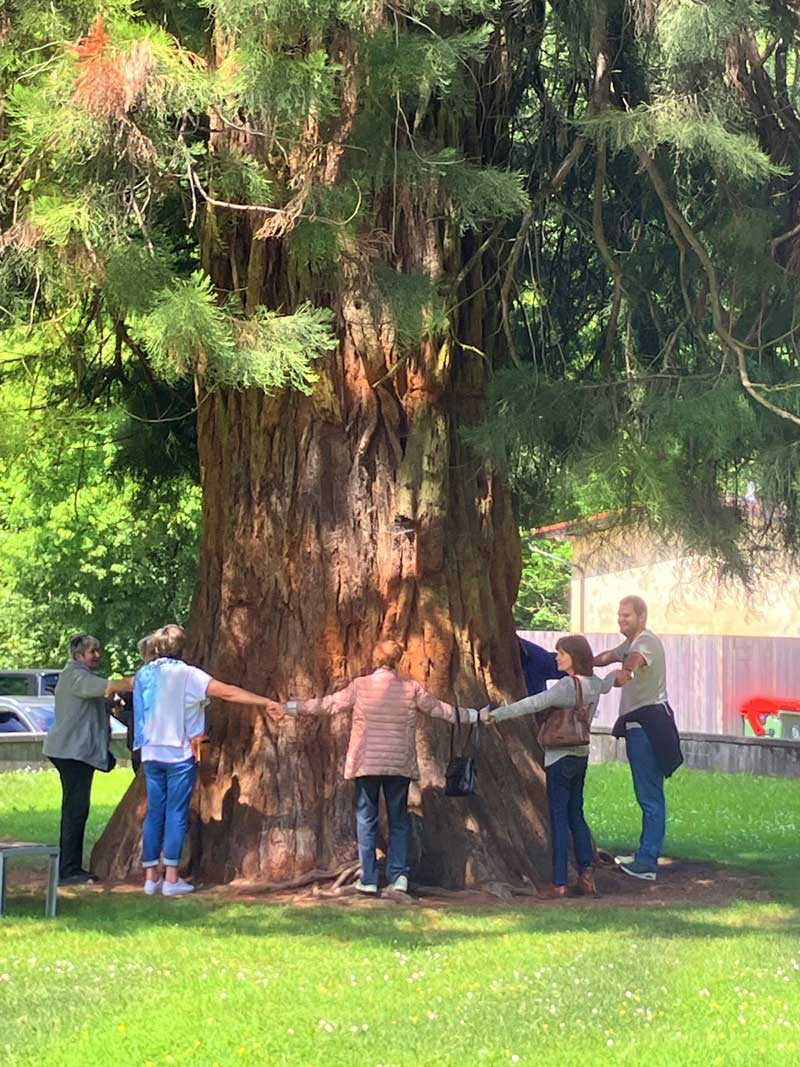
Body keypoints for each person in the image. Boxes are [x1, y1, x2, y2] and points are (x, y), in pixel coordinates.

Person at [272, 639, 478, 896]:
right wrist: (475, 716)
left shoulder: (361, 686)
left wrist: (290, 708)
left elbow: (328, 705)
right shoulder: (410, 689)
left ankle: (369, 877)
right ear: (398, 661)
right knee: (399, 821)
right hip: (398, 765)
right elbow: (440, 710)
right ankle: (399, 875)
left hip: (366, 764)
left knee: (366, 820)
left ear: (375, 659)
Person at [110, 624, 280, 897]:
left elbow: (123, 684)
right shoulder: (189, 675)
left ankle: (151, 877)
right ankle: (172, 878)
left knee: (155, 813)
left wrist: (108, 687)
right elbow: (227, 692)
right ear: (183, 648)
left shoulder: (145, 674)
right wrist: (264, 702)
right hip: (179, 752)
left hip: (150, 752)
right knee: (176, 814)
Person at [483, 634, 622, 899]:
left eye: (562, 654)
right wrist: (618, 675)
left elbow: (533, 703)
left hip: (558, 757)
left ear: (574, 658)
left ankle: (559, 882)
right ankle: (586, 874)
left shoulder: (566, 687)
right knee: (576, 815)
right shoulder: (593, 684)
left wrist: (496, 715)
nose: (556, 658)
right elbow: (608, 683)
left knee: (558, 819)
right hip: (581, 755)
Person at [593, 596, 683, 881]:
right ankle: (645, 852)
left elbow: (633, 661)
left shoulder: (646, 642)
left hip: (648, 728)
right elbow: (609, 656)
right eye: (619, 615)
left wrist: (627, 671)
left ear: (642, 617)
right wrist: (581, 662)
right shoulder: (630, 643)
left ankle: (647, 863)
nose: (621, 620)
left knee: (650, 796)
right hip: (640, 726)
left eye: (627, 615)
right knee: (647, 794)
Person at [43, 634, 116, 885]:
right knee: (75, 811)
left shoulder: (79, 677)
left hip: (73, 752)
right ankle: (69, 870)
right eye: (92, 651)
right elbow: (106, 686)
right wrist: (141, 681)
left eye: (98, 650)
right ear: (78, 656)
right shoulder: (76, 676)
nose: (97, 655)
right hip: (71, 753)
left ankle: (69, 866)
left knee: (76, 809)